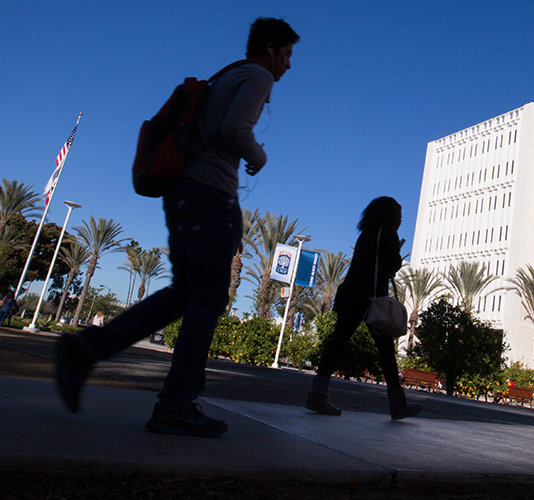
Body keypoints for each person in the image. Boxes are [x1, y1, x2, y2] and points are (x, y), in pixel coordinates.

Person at [56, 17, 300, 437]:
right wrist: (258, 156)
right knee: (206, 299)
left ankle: (86, 349)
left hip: (183, 191)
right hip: (210, 196)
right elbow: (235, 129)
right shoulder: (258, 74)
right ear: (272, 49)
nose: (289, 66)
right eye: (288, 55)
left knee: (183, 294)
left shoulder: (227, 75)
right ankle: (176, 403)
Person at [306, 197, 423, 420]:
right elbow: (391, 266)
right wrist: (396, 254)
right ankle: (397, 405)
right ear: (390, 216)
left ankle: (317, 394)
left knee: (337, 344)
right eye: (399, 216)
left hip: (351, 295)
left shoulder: (366, 233)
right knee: (386, 352)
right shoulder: (387, 233)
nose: (400, 221)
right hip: (371, 301)